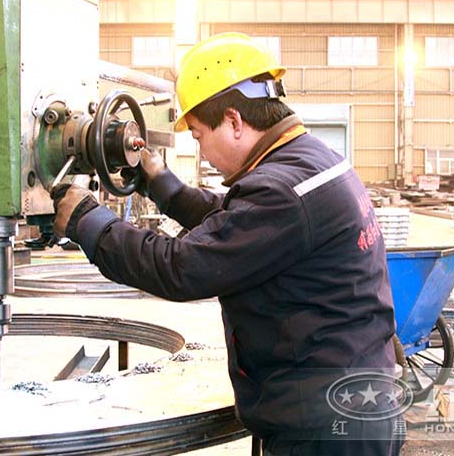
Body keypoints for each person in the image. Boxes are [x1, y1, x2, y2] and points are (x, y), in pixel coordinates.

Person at [53, 33, 402, 456]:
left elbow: (181, 268)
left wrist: (89, 221)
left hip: (324, 430)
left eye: (199, 135)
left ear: (234, 120)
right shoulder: (311, 161)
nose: (201, 150)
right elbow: (242, 225)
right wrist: (162, 184)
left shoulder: (281, 191)